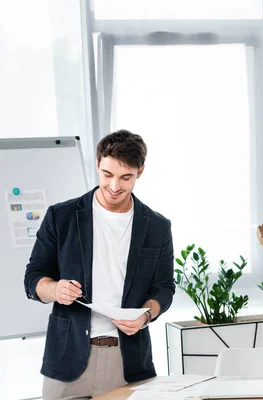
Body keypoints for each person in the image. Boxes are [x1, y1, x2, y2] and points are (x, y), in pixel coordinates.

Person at [24, 130, 175, 399]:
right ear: (97, 164)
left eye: (125, 177)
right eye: (107, 174)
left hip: (128, 362)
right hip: (67, 359)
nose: (115, 186)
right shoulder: (62, 216)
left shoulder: (157, 226)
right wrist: (55, 289)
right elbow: (34, 277)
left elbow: (164, 288)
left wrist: (145, 316)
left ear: (140, 171)